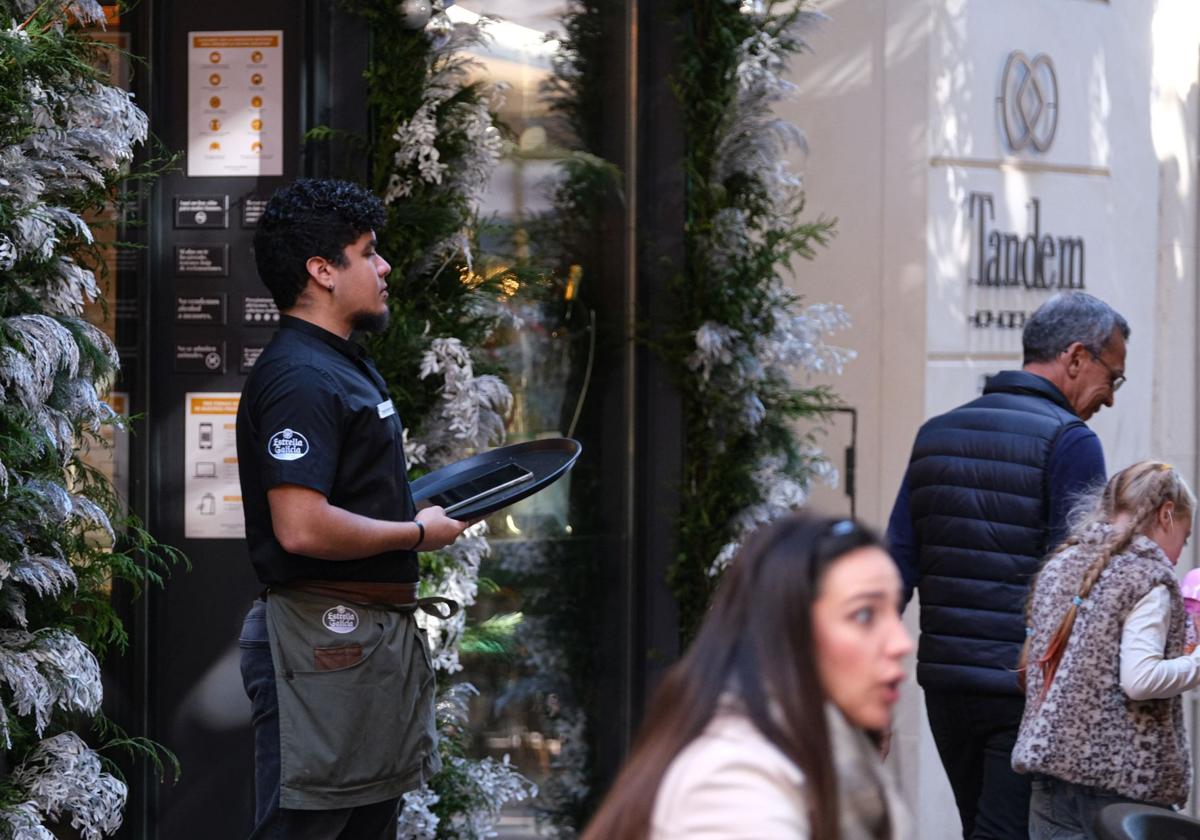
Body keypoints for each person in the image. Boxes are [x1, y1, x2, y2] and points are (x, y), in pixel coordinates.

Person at [235, 178, 469, 838]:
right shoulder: (301, 377)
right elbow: (301, 526)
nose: (384, 266)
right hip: (321, 640)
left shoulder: (341, 364)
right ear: (322, 270)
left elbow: (352, 496)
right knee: (306, 827)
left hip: (362, 636)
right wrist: (417, 534)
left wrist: (422, 512)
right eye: (368, 251)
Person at [886, 291, 1130, 839]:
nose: (1109, 399)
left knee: (982, 826)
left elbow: (895, 566)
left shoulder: (935, 434)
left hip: (945, 685)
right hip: (1020, 692)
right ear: (1074, 358)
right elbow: (1077, 579)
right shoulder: (1072, 441)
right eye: (1111, 378)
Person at [581, 513, 914, 840]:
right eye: (865, 614)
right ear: (787, 633)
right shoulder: (732, 781)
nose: (901, 643)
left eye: (894, 610)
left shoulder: (835, 748)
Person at [1013, 461, 1198, 838]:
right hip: (1124, 787)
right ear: (1166, 515)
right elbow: (1141, 679)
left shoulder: (1062, 564)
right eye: (1186, 535)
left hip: (1050, 780)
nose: (1179, 553)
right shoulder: (1147, 576)